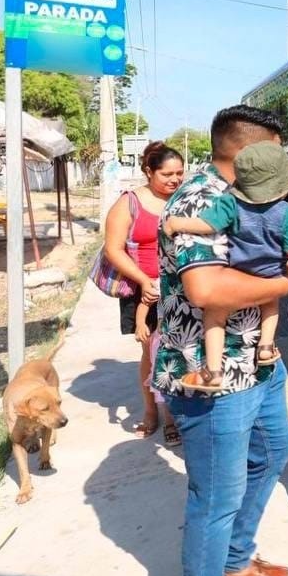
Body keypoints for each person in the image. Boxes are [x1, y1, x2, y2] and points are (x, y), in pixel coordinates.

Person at [155, 106, 288, 576]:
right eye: (275, 151)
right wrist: (285, 283)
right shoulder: (200, 199)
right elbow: (207, 290)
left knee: (274, 451)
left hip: (256, 362)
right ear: (248, 151)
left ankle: (235, 561)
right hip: (211, 376)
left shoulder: (248, 195)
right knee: (216, 496)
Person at [161, 143, 288, 393]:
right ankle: (265, 347)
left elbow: (206, 224)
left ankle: (214, 371)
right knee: (271, 304)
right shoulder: (285, 212)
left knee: (214, 316)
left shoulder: (230, 202)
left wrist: (177, 222)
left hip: (239, 271)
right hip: (271, 270)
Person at [102, 141, 184, 446]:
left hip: (182, 287)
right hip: (144, 290)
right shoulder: (129, 203)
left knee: (183, 351)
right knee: (151, 353)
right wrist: (143, 280)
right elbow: (113, 249)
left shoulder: (183, 198)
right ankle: (153, 413)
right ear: (148, 171)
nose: (175, 179)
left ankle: (178, 413)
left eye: (179, 172)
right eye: (166, 174)